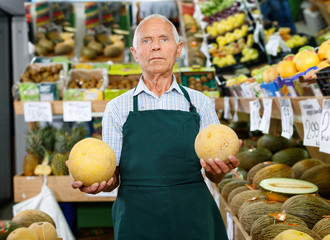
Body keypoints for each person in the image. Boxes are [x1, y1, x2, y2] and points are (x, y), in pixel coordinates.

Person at [70, 14, 240, 240]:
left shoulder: (200, 103)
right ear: (134, 53)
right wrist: (103, 183)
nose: (156, 47)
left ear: (178, 50)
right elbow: (112, 176)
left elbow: (214, 173)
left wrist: (217, 172)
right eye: (146, 41)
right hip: (137, 218)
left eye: (164, 39)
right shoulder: (117, 108)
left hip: (193, 215)